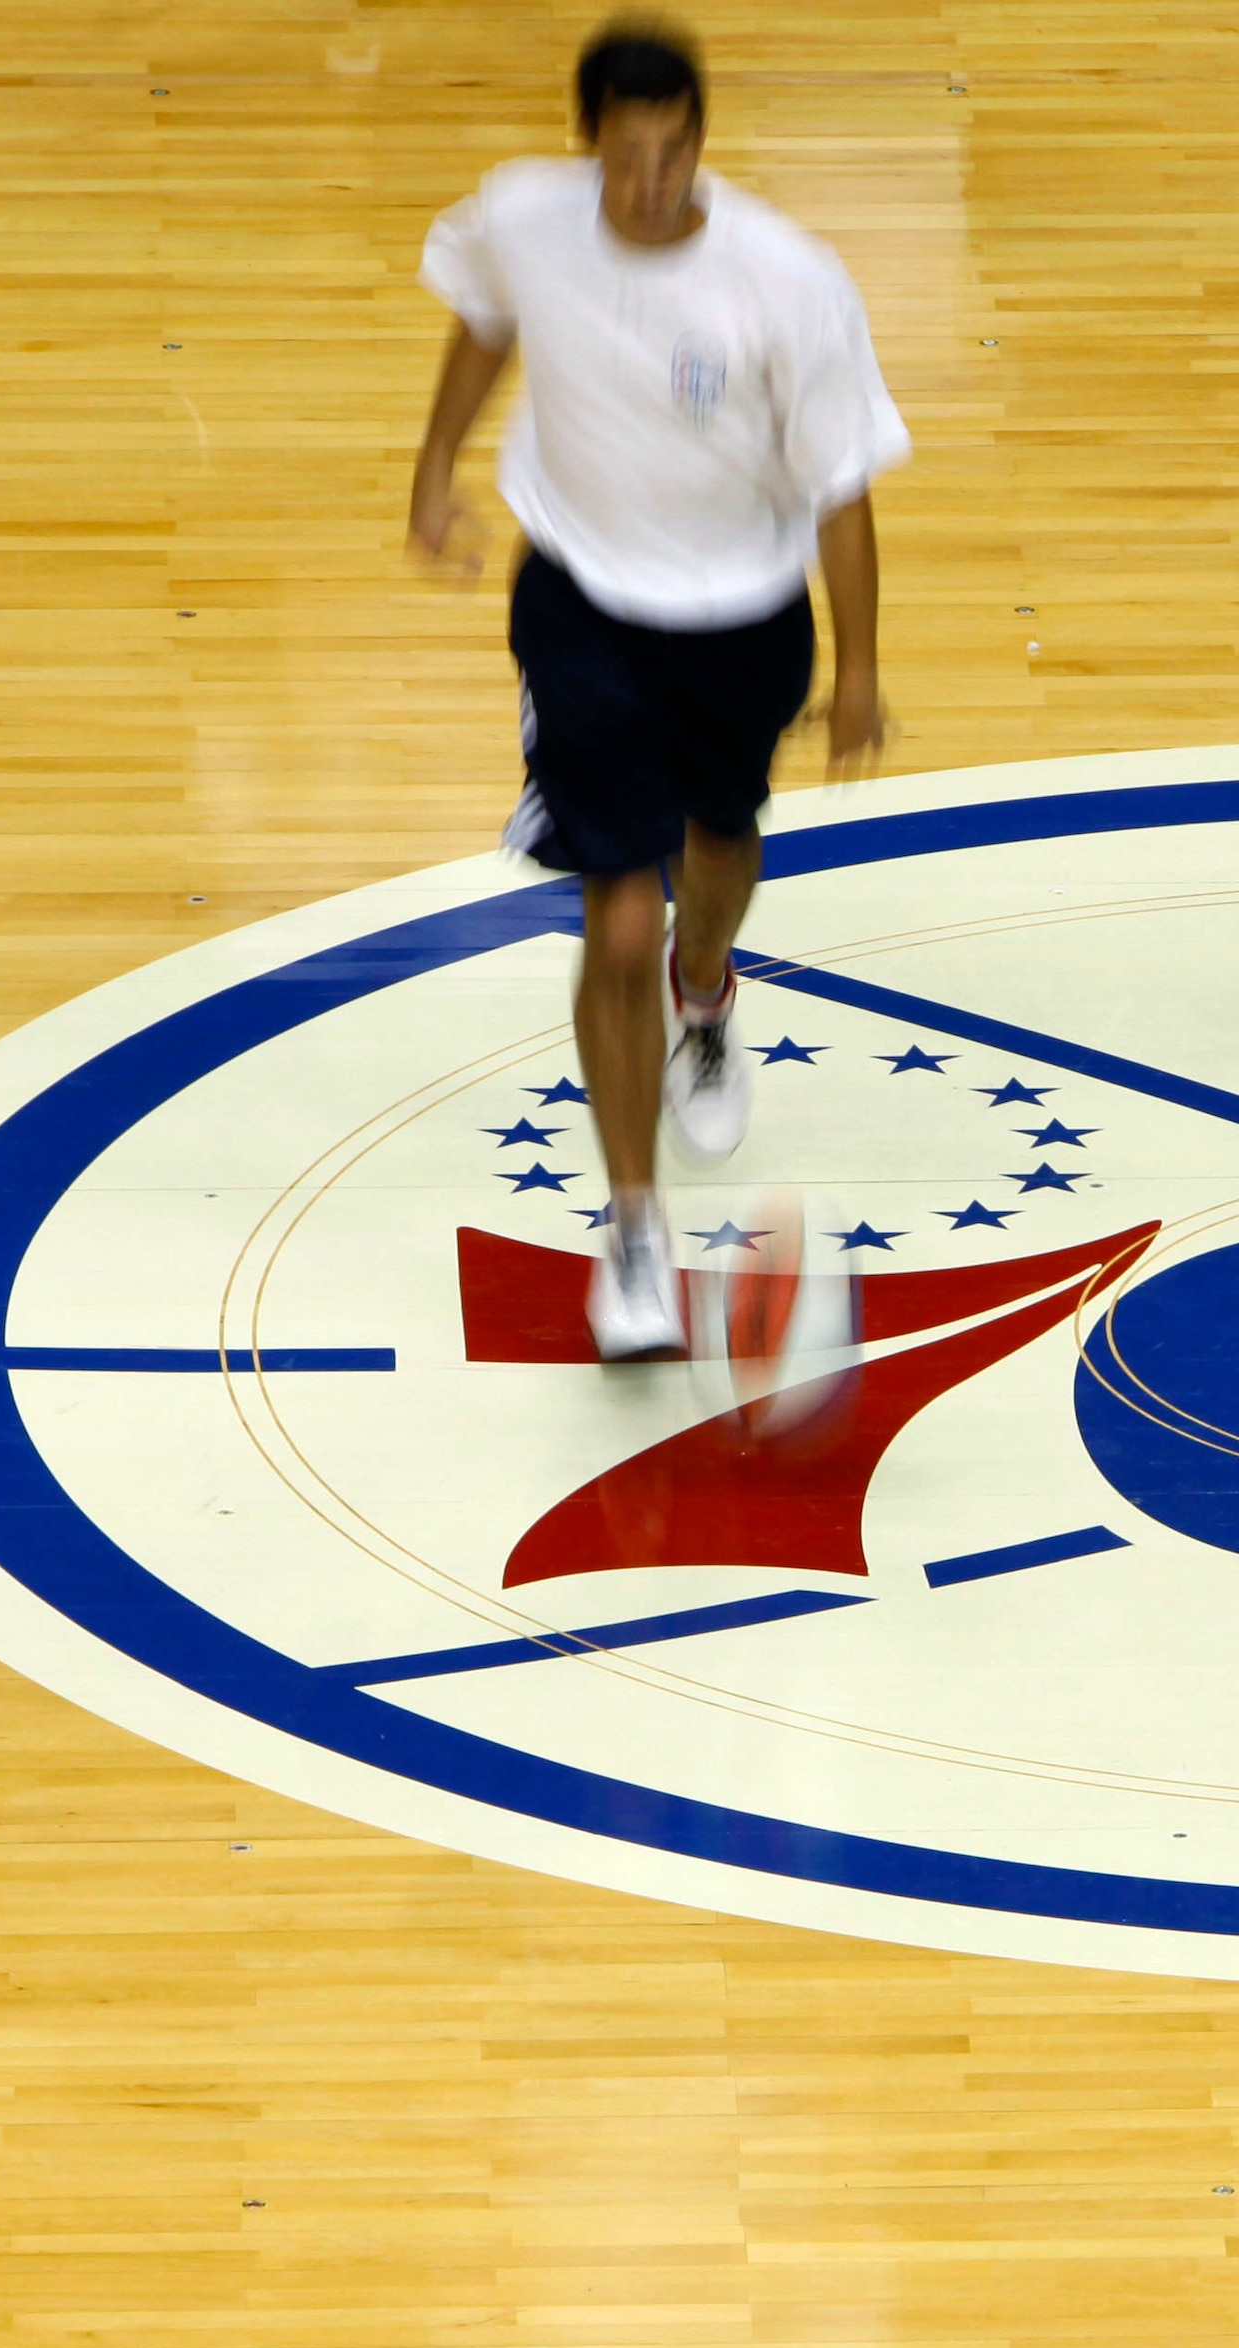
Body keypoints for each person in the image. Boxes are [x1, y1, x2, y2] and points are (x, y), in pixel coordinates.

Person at [411, 18, 910, 1358]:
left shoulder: (784, 281)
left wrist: (859, 664)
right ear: (592, 147)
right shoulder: (527, 217)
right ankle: (635, 1230)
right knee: (616, 918)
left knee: (719, 849)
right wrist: (436, 465)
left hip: (742, 618)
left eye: (672, 150)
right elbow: (483, 315)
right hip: (580, 602)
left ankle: (710, 993)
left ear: (701, 141)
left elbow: (842, 486)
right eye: (624, 153)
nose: (647, 179)